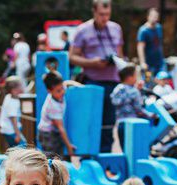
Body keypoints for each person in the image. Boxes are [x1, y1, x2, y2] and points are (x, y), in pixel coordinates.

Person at [70, 0, 124, 153]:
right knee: (92, 121)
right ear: (94, 12)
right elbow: (72, 57)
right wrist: (92, 62)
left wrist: (118, 62)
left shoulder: (116, 28)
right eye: (101, 14)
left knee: (109, 123)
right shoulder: (82, 30)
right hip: (93, 81)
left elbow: (120, 54)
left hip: (113, 81)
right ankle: (89, 155)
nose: (104, 18)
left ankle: (106, 155)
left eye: (107, 14)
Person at [111, 64, 154, 149]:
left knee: (124, 149)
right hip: (133, 124)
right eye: (136, 76)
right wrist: (150, 115)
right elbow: (139, 110)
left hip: (120, 123)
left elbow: (114, 101)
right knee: (133, 149)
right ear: (129, 77)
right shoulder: (134, 91)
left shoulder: (117, 89)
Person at [37, 71, 77, 157]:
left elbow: (67, 83)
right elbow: (60, 128)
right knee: (52, 156)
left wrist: (80, 86)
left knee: (59, 153)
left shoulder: (59, 88)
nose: (62, 92)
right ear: (49, 91)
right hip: (47, 134)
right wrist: (69, 146)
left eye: (62, 88)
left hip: (54, 131)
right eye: (59, 91)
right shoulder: (52, 106)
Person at [0, 77, 26, 148]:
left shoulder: (9, 97)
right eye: (20, 85)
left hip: (9, 130)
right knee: (23, 147)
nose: (23, 86)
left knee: (16, 149)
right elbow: (13, 119)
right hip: (12, 131)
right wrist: (18, 134)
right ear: (14, 90)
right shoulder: (12, 103)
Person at [137, 8, 165, 77]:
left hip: (159, 62)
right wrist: (142, 62)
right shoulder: (143, 31)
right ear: (148, 17)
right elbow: (140, 47)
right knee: (149, 84)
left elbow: (159, 44)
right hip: (148, 64)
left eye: (156, 17)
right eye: (152, 16)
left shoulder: (159, 27)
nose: (154, 19)